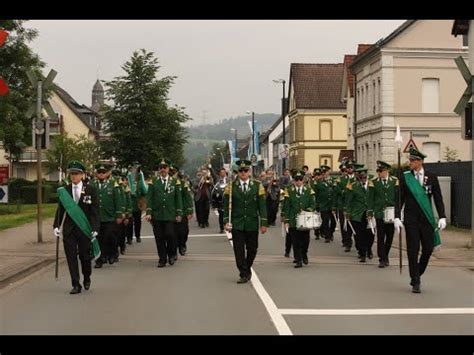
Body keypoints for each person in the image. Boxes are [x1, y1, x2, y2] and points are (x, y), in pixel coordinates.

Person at [395, 148, 446, 293]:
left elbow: (438, 198)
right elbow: (399, 199)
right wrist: (397, 216)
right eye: (410, 160)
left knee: (428, 249)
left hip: (427, 219)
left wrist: (442, 216)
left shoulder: (431, 176)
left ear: (420, 162)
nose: (410, 162)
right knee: (413, 249)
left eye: (413, 160)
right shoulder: (405, 177)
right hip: (411, 219)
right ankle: (416, 281)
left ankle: (417, 271)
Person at [53, 160, 100, 294]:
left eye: (76, 174)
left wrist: (95, 228)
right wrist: (56, 226)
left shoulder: (91, 190)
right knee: (71, 257)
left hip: (85, 229)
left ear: (82, 175)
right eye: (72, 174)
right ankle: (75, 284)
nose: (74, 176)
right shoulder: (65, 191)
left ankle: (86, 277)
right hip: (69, 230)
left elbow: (95, 211)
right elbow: (60, 210)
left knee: (85, 257)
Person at [224, 160, 268, 284]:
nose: (243, 173)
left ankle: (247, 267)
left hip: (252, 223)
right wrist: (226, 221)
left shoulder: (257, 185)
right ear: (237, 173)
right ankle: (243, 273)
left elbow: (262, 206)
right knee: (238, 250)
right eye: (240, 171)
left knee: (253, 249)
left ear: (249, 172)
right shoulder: (231, 187)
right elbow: (226, 206)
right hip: (237, 223)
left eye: (245, 171)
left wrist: (263, 223)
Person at [145, 159, 183, 268]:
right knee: (159, 237)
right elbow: (149, 198)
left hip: (170, 214)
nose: (162, 170)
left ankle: (171, 254)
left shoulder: (175, 182)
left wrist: (179, 213)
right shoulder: (153, 182)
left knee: (170, 235)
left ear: (168, 169)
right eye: (160, 167)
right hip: (157, 215)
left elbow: (178, 198)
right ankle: (162, 258)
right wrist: (148, 212)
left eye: (165, 167)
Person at [90, 163, 124, 268]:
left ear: (107, 173)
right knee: (98, 238)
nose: (101, 174)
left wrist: (119, 215)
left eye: (103, 172)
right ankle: (99, 259)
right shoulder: (92, 184)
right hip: (97, 217)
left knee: (110, 236)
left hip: (110, 216)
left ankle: (113, 253)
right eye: (99, 172)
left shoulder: (113, 184)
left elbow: (117, 200)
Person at [282, 170, 316, 268]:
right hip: (293, 219)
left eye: (300, 179)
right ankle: (298, 259)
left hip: (305, 219)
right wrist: (286, 220)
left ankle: (304, 253)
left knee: (305, 240)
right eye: (296, 180)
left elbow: (313, 204)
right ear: (293, 181)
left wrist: (308, 210)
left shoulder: (309, 190)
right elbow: (287, 206)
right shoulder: (289, 191)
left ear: (303, 180)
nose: (298, 182)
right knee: (295, 240)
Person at [369, 161, 398, 268]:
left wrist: (398, 212)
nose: (379, 173)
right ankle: (382, 259)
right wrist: (370, 211)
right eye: (378, 171)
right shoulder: (374, 182)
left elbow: (397, 197)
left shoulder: (394, 181)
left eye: (381, 171)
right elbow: (370, 198)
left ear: (387, 171)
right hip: (379, 213)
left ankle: (385, 255)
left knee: (390, 236)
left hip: (391, 213)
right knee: (381, 236)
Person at [345, 167, 375, 262]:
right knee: (359, 235)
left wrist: (372, 210)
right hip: (357, 213)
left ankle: (369, 249)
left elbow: (375, 199)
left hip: (370, 213)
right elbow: (349, 201)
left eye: (365, 178)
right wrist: (348, 212)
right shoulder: (353, 186)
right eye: (361, 178)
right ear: (358, 178)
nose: (363, 179)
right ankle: (362, 253)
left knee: (370, 234)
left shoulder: (372, 185)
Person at [210, 165, 228, 233]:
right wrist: (210, 167)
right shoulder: (217, 179)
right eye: (221, 172)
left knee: (227, 215)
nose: (223, 174)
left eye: (224, 172)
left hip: (227, 200)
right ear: (220, 173)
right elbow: (213, 174)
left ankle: (227, 226)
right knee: (221, 215)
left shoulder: (229, 180)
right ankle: (221, 228)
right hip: (219, 200)